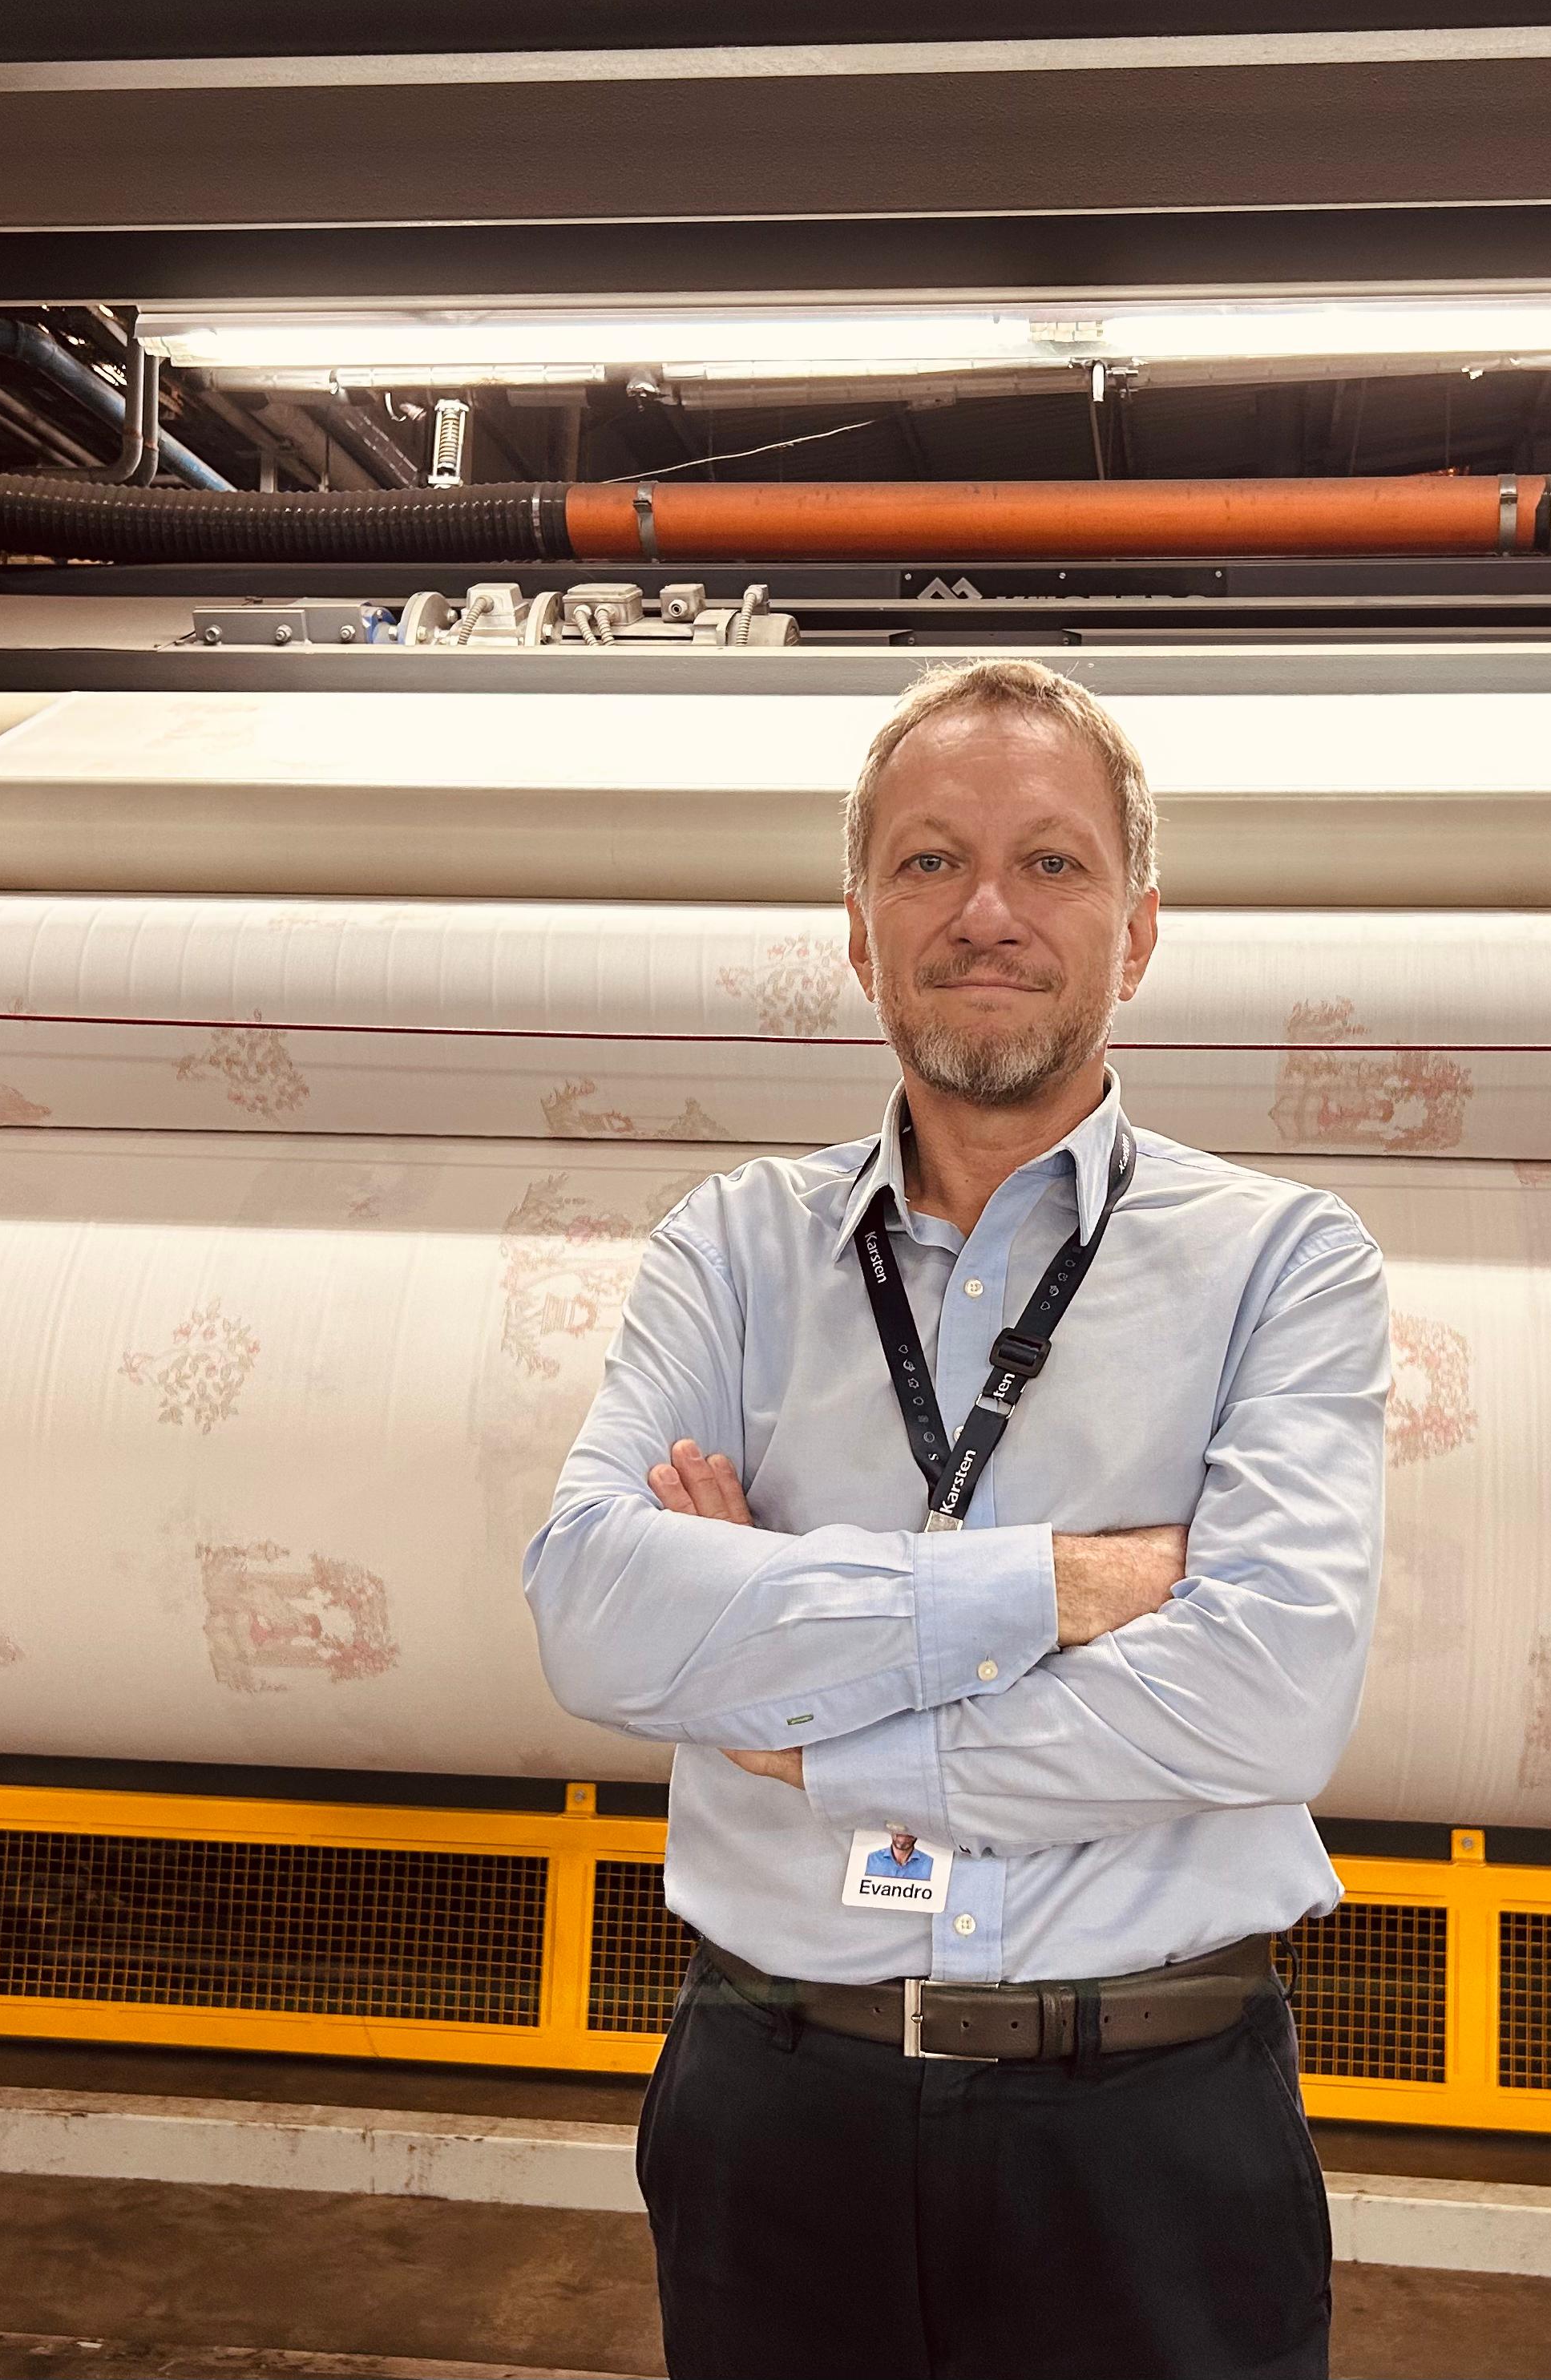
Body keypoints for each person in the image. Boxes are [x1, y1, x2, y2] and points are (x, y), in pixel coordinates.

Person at [523, 657, 1390, 2380]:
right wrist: (1058, 1586)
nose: (985, 908)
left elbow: (1265, 1695)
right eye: (927, 860)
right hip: (776, 2109)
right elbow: (596, 1609)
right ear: (859, 932)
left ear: (1138, 931)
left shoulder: (1283, 1264)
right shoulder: (732, 1252)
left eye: (1050, 862)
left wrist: (800, 1691)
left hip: (1149, 2127)